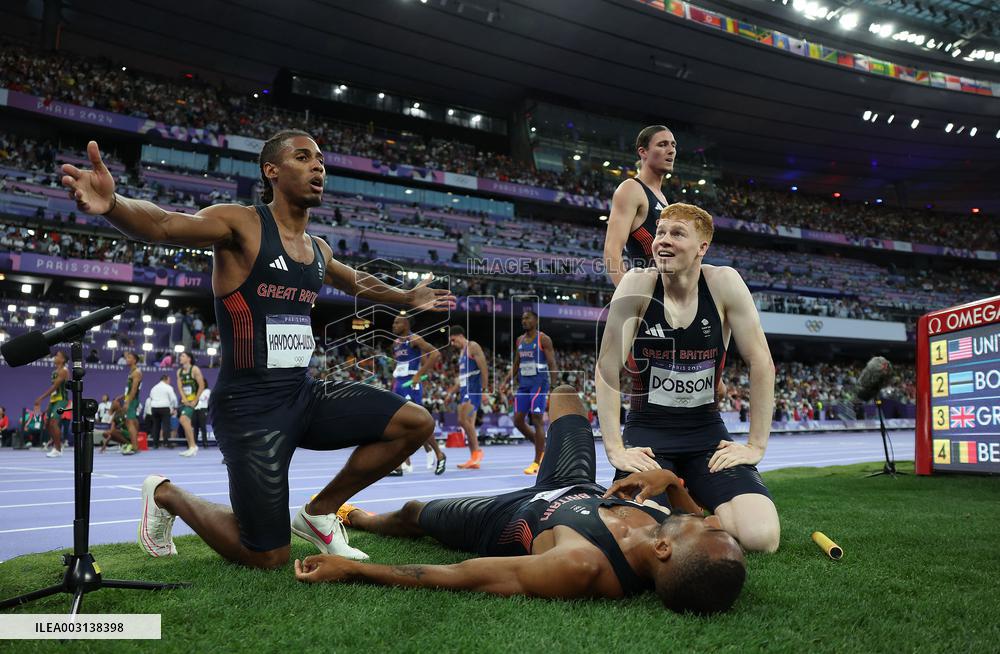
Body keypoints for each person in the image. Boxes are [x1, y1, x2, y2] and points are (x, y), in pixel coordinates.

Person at [61, 132, 453, 568]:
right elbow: (165, 224)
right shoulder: (241, 224)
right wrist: (114, 206)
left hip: (302, 395)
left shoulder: (318, 249)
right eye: (303, 158)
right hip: (250, 409)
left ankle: (320, 513)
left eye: (321, 159)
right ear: (272, 170)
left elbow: (356, 280)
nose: (318, 167)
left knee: (415, 424)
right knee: (266, 556)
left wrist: (407, 298)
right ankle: (165, 493)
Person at [295, 386, 746, 615]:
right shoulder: (671, 531)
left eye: (707, 529)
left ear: (664, 550)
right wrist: (669, 478)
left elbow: (465, 576)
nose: (707, 520)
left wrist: (355, 570)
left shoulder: (581, 566)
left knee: (415, 514)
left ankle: (357, 517)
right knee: (565, 397)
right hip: (573, 482)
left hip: (505, 516)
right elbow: (690, 511)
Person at [595, 203, 780, 553]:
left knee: (762, 538)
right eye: (660, 232)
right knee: (633, 537)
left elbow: (761, 363)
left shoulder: (724, 283)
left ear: (702, 248)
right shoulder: (638, 284)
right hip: (648, 436)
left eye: (677, 233)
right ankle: (687, 503)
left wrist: (756, 445)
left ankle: (684, 502)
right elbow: (607, 367)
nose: (663, 241)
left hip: (706, 437)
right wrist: (615, 448)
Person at [603, 125, 675, 287]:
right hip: (648, 293)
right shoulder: (631, 188)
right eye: (662, 144)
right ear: (643, 152)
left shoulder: (663, 198)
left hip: (668, 294)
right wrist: (628, 297)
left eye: (673, 145)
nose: (671, 150)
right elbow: (611, 251)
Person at [390, 314, 446, 475]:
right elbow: (401, 364)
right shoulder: (395, 343)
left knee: (420, 423)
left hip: (411, 385)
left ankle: (439, 455)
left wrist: (418, 375)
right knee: (396, 423)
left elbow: (435, 354)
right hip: (399, 384)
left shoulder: (414, 339)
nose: (393, 325)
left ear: (406, 324)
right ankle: (399, 465)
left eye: (397, 322)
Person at [501, 310, 556, 474]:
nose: (524, 321)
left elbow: (552, 364)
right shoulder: (519, 340)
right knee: (517, 420)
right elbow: (516, 364)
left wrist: (554, 387)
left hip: (539, 383)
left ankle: (537, 462)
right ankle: (543, 449)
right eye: (522, 318)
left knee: (536, 419)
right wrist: (505, 381)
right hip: (524, 384)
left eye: (527, 318)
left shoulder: (543, 339)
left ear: (536, 320)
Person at [448, 326, 489, 470]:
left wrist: (484, 390)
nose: (452, 343)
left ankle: (477, 452)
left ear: (459, 335)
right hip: (465, 390)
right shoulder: (461, 353)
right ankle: (474, 458)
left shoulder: (472, 346)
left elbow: (484, 368)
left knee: (463, 420)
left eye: (453, 340)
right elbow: (461, 378)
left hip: (474, 390)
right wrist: (451, 393)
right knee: (468, 424)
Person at [34, 350, 69, 458]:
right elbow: (54, 392)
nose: (55, 357)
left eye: (57, 356)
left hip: (62, 400)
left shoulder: (64, 371)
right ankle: (57, 445)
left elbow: (55, 387)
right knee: (48, 424)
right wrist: (49, 403)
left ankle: (58, 449)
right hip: (53, 400)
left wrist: (41, 398)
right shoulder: (54, 372)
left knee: (54, 423)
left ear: (62, 360)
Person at [175, 350, 205, 457]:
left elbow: (201, 386)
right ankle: (191, 446)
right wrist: (184, 399)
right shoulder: (179, 372)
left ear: (189, 358)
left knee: (183, 419)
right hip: (185, 401)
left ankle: (193, 446)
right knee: (185, 421)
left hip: (193, 401)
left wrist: (195, 400)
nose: (180, 358)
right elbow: (180, 387)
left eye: (183, 356)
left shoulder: (195, 369)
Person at [148, 374, 179, 451]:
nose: (169, 382)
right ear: (165, 380)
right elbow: (174, 399)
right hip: (164, 407)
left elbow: (151, 397)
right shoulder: (168, 387)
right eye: (169, 380)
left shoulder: (153, 388)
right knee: (166, 426)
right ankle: (166, 442)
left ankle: (155, 444)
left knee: (156, 426)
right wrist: (174, 407)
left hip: (154, 408)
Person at [122, 351, 142, 455]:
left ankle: (134, 447)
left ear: (134, 360)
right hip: (130, 399)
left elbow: (134, 389)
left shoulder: (136, 372)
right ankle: (134, 445)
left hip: (132, 400)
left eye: (129, 357)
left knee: (130, 423)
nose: (127, 359)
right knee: (132, 422)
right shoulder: (132, 371)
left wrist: (127, 402)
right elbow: (128, 389)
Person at [193, 382, 211, 447]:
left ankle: (205, 443)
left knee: (203, 427)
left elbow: (203, 398)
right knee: (195, 427)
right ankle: (193, 443)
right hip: (195, 409)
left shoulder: (207, 391)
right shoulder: (195, 390)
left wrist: (196, 396)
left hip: (203, 409)